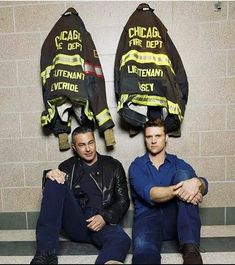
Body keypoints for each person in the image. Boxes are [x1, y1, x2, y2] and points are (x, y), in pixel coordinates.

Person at [30, 126, 131, 265]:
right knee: (54, 179)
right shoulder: (66, 166)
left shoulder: (113, 165)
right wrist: (48, 175)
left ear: (95, 142)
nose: (88, 149)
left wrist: (105, 217)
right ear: (74, 147)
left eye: (91, 143)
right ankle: (45, 253)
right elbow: (54, 198)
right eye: (82, 145)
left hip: (101, 222)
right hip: (76, 219)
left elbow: (123, 200)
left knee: (121, 239)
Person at [129, 118, 209, 264]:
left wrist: (198, 182)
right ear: (145, 139)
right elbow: (152, 194)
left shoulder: (178, 163)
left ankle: (191, 250)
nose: (153, 141)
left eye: (158, 136)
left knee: (184, 176)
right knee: (144, 255)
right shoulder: (137, 166)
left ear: (166, 137)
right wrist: (183, 188)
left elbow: (203, 186)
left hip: (176, 222)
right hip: (147, 220)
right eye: (149, 137)